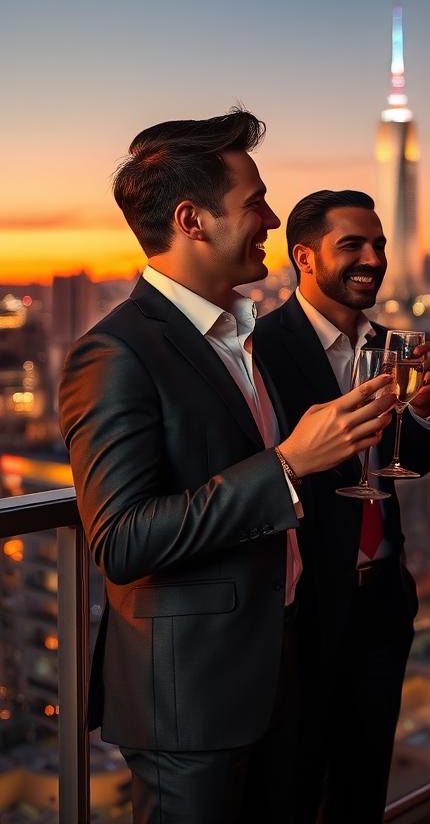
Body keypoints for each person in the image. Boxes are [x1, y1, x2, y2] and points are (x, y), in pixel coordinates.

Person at [59, 111, 396, 824]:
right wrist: (285, 466)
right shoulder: (115, 352)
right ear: (193, 220)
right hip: (192, 698)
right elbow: (121, 539)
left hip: (277, 668)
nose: (273, 216)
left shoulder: (236, 335)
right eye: (255, 202)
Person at [254, 189, 430, 823]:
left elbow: (410, 462)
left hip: (382, 599)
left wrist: (422, 409)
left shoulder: (396, 346)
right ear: (304, 258)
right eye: (353, 246)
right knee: (293, 788)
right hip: (300, 609)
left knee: (364, 788)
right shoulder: (260, 347)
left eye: (380, 245)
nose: (373, 259)